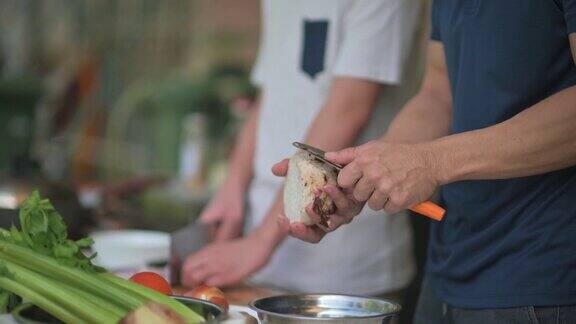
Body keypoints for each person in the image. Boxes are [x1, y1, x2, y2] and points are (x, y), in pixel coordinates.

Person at [275, 0, 576, 323]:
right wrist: (370, 169)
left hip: (542, 277)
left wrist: (433, 161)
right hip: (448, 267)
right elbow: (438, 95)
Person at [181, 0, 426, 299]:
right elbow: (271, 94)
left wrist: (260, 242)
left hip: (345, 269)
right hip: (258, 262)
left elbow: (348, 108)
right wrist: (232, 186)